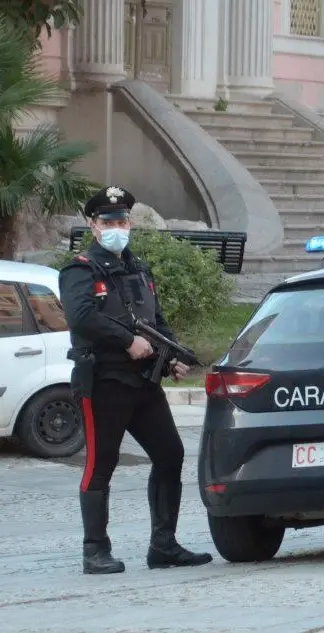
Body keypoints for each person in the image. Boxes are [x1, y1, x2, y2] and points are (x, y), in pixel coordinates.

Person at [59, 185, 213, 574]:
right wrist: (127, 341)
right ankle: (95, 550)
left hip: (144, 383)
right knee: (101, 463)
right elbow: (81, 318)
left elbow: (157, 323)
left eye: (123, 220)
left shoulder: (138, 267)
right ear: (93, 226)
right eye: (109, 221)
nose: (117, 227)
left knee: (170, 454)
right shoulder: (80, 269)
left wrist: (173, 357)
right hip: (104, 380)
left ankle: (163, 545)